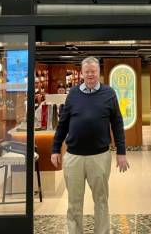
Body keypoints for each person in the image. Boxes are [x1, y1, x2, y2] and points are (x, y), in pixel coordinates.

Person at [51, 57, 129, 234]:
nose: (90, 74)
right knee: (74, 203)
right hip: (74, 157)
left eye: (94, 71)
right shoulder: (73, 94)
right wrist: (55, 149)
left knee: (101, 200)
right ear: (82, 73)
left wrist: (121, 152)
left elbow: (117, 123)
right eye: (87, 72)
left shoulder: (109, 93)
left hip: (99, 157)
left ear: (99, 73)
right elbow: (62, 124)